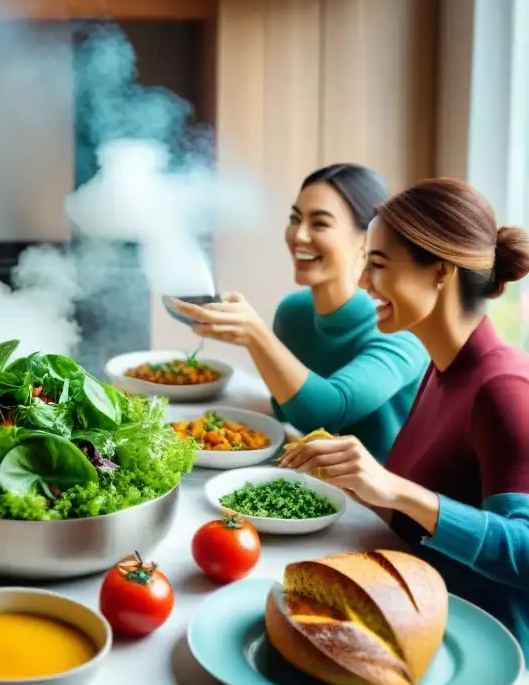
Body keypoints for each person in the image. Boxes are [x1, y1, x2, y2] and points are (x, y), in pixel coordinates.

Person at [280, 177, 529, 658]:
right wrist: (356, 482)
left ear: (440, 270)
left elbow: (523, 552)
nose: (361, 283)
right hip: (415, 621)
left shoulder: (504, 390)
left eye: (377, 265)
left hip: (487, 657)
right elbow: (419, 517)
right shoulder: (438, 369)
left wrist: (395, 490)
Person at [174, 164, 428, 462]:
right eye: (295, 219)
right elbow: (286, 411)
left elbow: (327, 414)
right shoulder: (293, 312)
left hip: (381, 504)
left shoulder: (400, 329)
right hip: (315, 483)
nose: (300, 235)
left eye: (319, 223)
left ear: (367, 240)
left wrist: (255, 336)